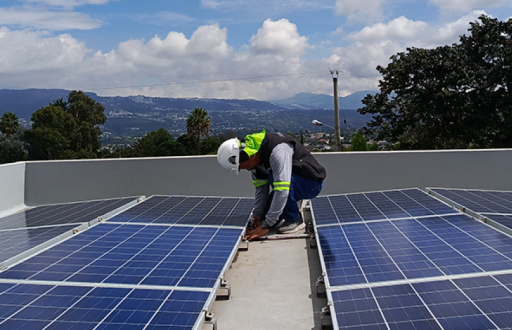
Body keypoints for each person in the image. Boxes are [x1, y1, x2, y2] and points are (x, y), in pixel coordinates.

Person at [217, 130, 326, 240]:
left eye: (245, 166)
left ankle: (295, 219)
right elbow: (261, 190)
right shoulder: (256, 161)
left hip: (311, 184)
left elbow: (282, 191)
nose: (248, 169)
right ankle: (288, 208)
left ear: (251, 155)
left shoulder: (278, 151)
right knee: (265, 216)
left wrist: (266, 225)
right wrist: (257, 216)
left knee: (274, 179)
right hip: (290, 183)